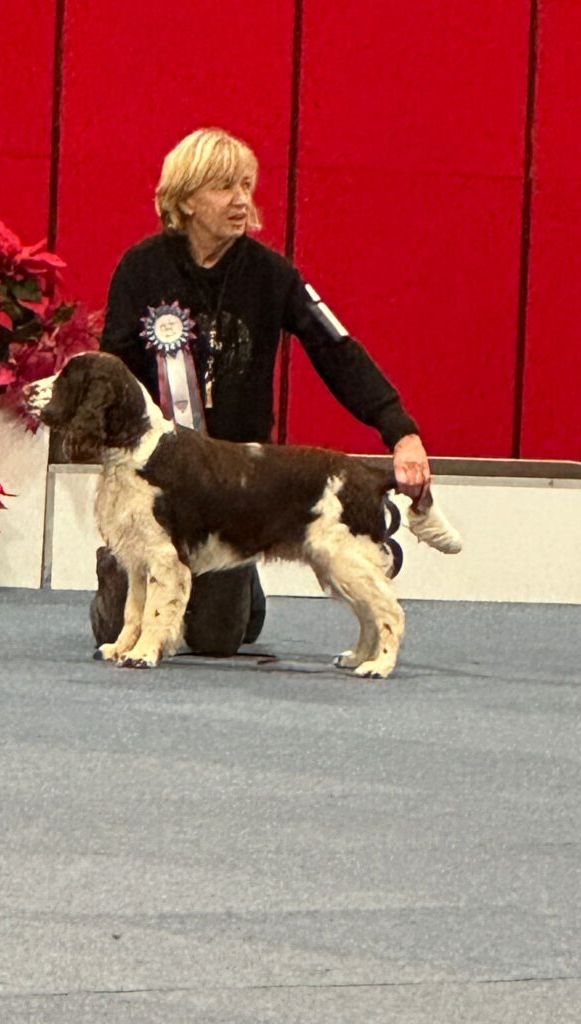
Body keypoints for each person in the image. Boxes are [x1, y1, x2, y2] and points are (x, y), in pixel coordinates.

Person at [92, 127, 430, 656]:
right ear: (185, 199)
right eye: (226, 187)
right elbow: (113, 372)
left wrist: (400, 427)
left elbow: (336, 348)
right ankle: (120, 562)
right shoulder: (140, 268)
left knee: (215, 640)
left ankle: (241, 576)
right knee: (111, 624)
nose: (242, 201)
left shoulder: (272, 274)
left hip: (238, 490)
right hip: (161, 482)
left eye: (247, 186)